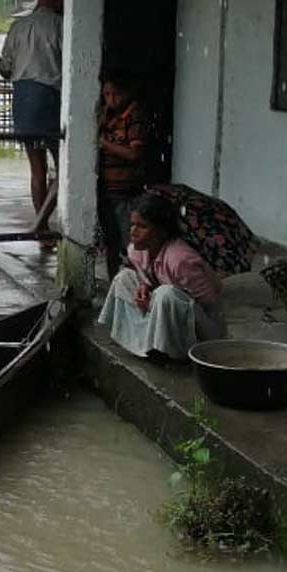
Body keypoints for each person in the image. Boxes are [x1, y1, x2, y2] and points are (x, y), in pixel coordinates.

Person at [98, 193, 226, 361]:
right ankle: (143, 342)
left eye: (142, 226)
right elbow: (146, 276)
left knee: (167, 294)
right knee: (124, 278)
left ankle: (170, 350)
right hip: (161, 312)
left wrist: (159, 302)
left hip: (202, 329)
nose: (133, 232)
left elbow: (208, 303)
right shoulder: (135, 251)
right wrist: (144, 288)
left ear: (161, 232)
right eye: (132, 225)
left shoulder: (180, 260)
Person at [0, 0, 63, 249]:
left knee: (37, 169)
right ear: (58, 2)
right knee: (64, 168)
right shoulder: (60, 25)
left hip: (22, 99)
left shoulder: (17, 27)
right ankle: (40, 223)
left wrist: (8, 66)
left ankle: (42, 230)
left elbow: (5, 69)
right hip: (49, 98)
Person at [97, 72, 150, 279]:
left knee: (130, 241)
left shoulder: (134, 115)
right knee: (110, 239)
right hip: (107, 188)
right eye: (106, 95)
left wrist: (104, 143)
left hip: (125, 189)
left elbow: (134, 153)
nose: (111, 99)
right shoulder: (108, 116)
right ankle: (114, 282)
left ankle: (137, 282)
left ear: (127, 92)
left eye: (116, 94)